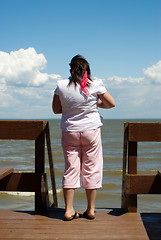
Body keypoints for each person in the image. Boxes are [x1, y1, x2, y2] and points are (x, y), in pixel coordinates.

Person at [52, 55, 115, 221]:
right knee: (92, 168)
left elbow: (56, 110)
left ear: (70, 70)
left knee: (70, 169)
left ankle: (69, 210)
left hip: (70, 131)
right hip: (91, 131)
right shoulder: (95, 84)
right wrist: (95, 104)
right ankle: (91, 209)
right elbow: (111, 104)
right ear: (88, 69)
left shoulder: (61, 85)